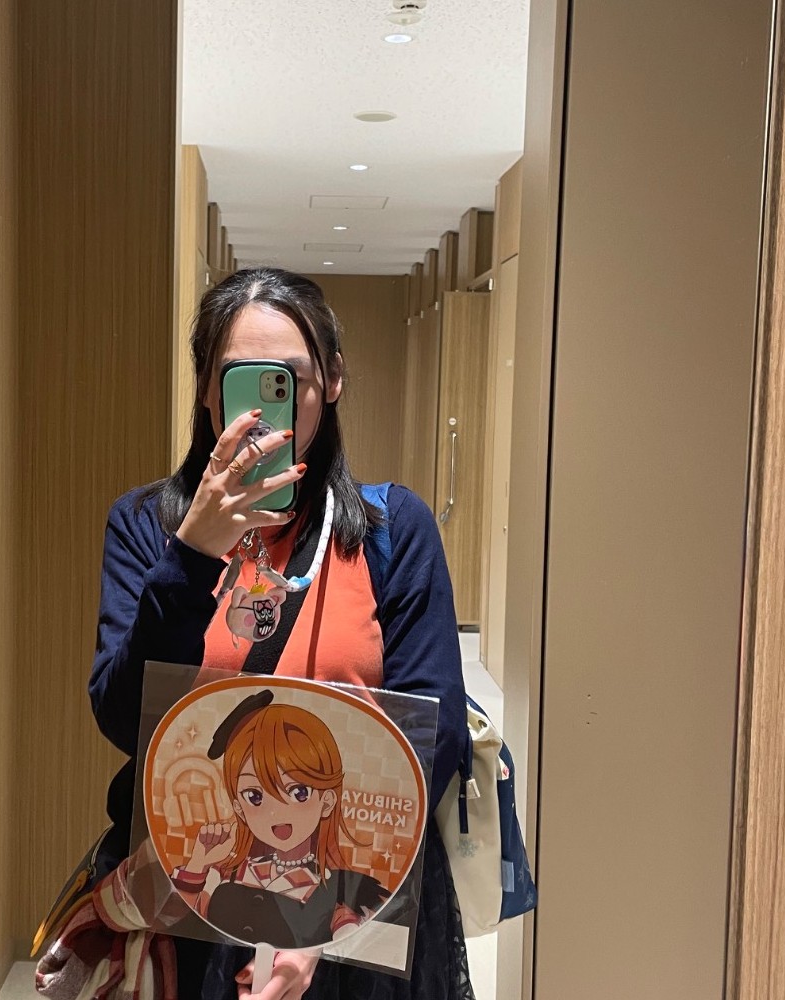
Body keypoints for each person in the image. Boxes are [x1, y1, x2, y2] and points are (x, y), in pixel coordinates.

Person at [88, 267, 473, 1000]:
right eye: (242, 381)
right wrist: (192, 557)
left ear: (333, 382)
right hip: (187, 909)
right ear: (207, 391)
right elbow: (122, 718)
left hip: (355, 906)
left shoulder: (393, 532)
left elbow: (434, 738)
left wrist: (320, 919)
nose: (267, 411)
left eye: (291, 379)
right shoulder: (147, 529)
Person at [169, 692, 388, 950]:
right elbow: (175, 920)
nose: (278, 812)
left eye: (299, 792)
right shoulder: (224, 873)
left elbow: (354, 944)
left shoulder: (335, 891)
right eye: (254, 796)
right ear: (239, 808)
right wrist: (198, 863)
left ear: (327, 801)